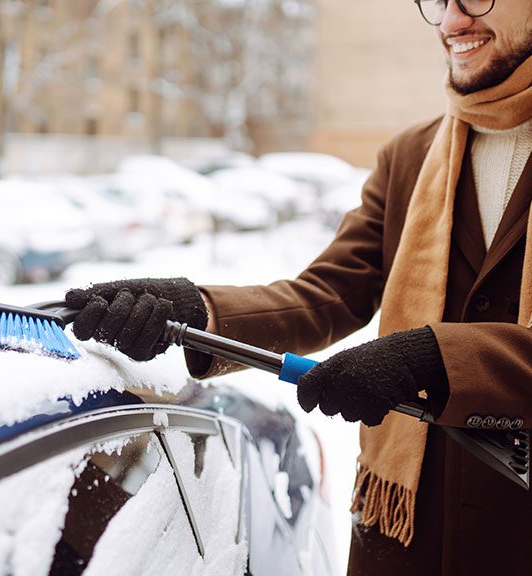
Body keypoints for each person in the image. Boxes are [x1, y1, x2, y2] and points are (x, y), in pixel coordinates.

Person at [65, 0, 532, 573]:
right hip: (408, 532)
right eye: (440, 2)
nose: (453, 21)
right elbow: (329, 293)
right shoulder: (410, 156)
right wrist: (197, 309)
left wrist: (439, 360)